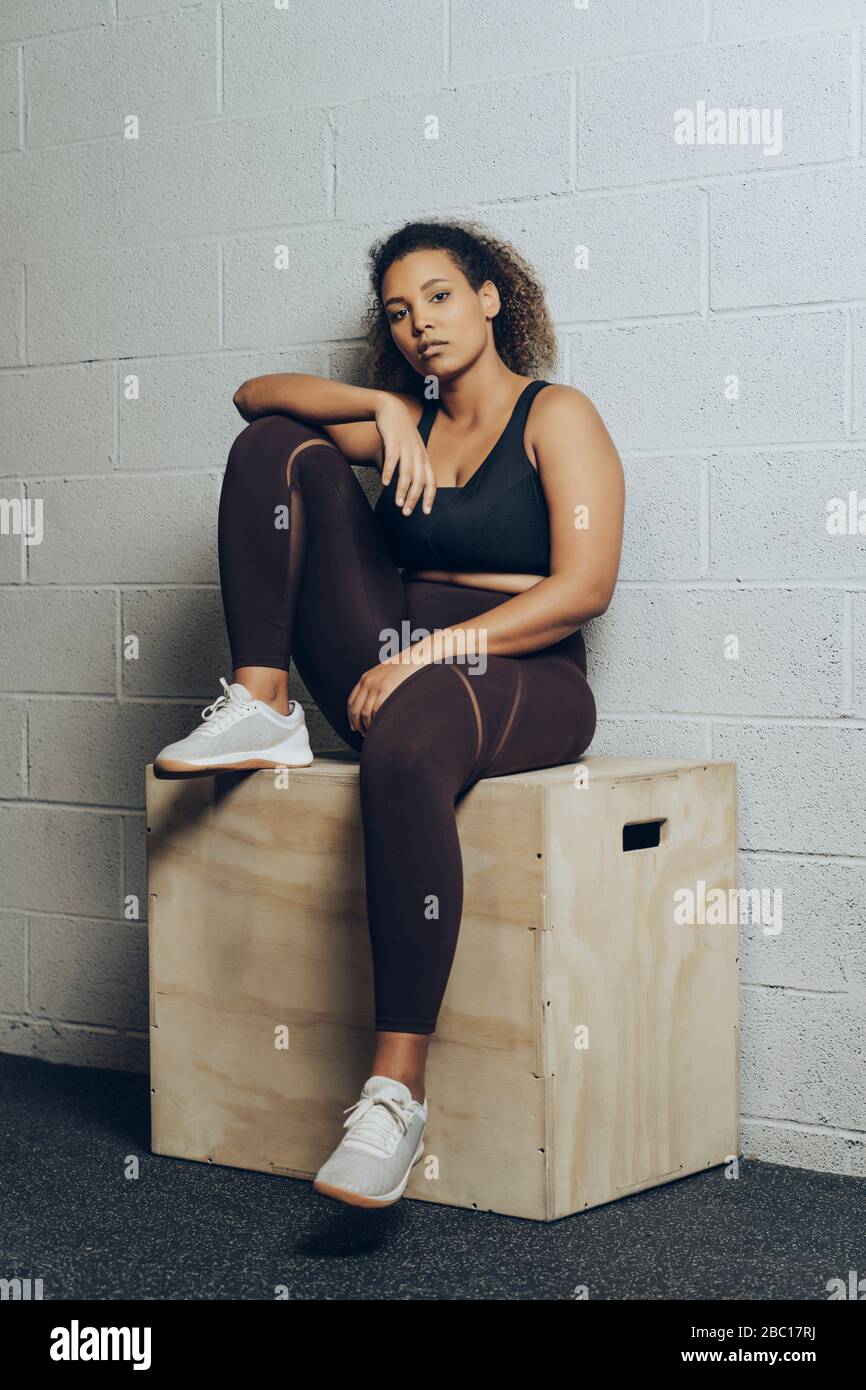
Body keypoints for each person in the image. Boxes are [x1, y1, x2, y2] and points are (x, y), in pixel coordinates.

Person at [153, 218, 624, 1209]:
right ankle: (262, 698)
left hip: (519, 669)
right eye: (400, 314)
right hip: (394, 661)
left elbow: (584, 587)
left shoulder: (555, 415)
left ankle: (393, 1093)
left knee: (406, 749)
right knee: (277, 448)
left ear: (491, 298)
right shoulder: (403, 419)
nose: (421, 326)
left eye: (440, 297)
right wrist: (380, 408)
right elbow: (254, 400)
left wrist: (432, 650)